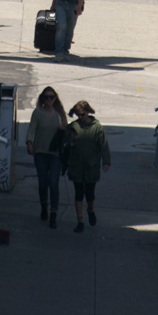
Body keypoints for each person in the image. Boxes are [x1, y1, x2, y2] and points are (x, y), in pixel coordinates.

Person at [65, 100, 111, 233]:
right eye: (78, 115)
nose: (80, 117)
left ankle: (90, 209)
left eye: (82, 114)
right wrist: (70, 139)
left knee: (90, 194)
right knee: (78, 194)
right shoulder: (73, 126)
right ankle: (80, 221)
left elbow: (104, 145)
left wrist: (106, 161)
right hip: (76, 166)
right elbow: (65, 144)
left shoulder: (97, 127)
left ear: (88, 112)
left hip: (91, 166)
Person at [26, 87, 68, 228]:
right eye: (46, 97)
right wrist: (29, 142)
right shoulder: (37, 113)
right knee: (43, 182)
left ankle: (53, 213)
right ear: (42, 98)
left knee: (53, 182)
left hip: (55, 154)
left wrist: (65, 129)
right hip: (40, 153)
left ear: (56, 98)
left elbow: (68, 133)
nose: (49, 100)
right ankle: (44, 205)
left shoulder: (59, 114)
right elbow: (32, 128)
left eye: (52, 97)